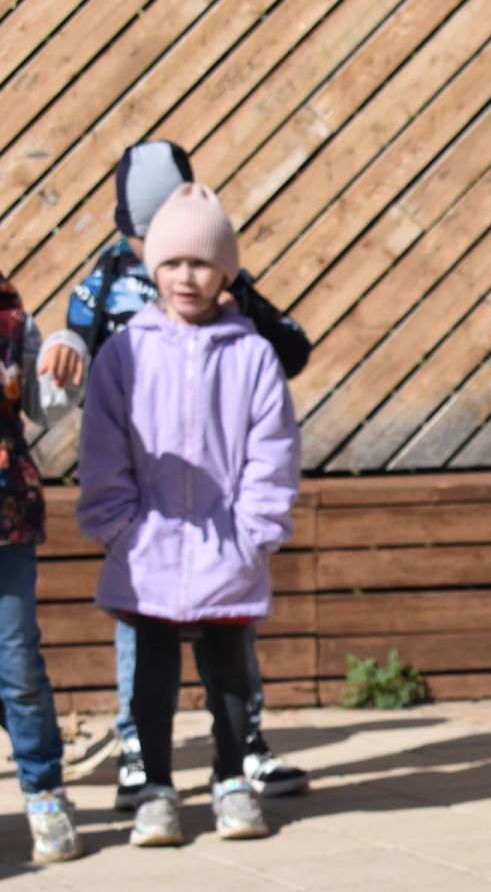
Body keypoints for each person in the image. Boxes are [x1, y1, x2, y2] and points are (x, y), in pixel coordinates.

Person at [41, 141, 310, 807]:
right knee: (145, 649)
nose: (180, 273)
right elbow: (77, 342)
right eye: (144, 238)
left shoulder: (234, 302)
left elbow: (285, 364)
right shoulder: (104, 286)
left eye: (199, 262)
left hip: (224, 526)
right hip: (147, 517)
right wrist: (115, 524)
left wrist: (255, 529)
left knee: (230, 649)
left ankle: (240, 752)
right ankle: (142, 755)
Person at [0, 270, 85, 862]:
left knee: (17, 661)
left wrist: (66, 350)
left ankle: (44, 791)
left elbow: (43, 397)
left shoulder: (8, 313)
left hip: (6, 521)